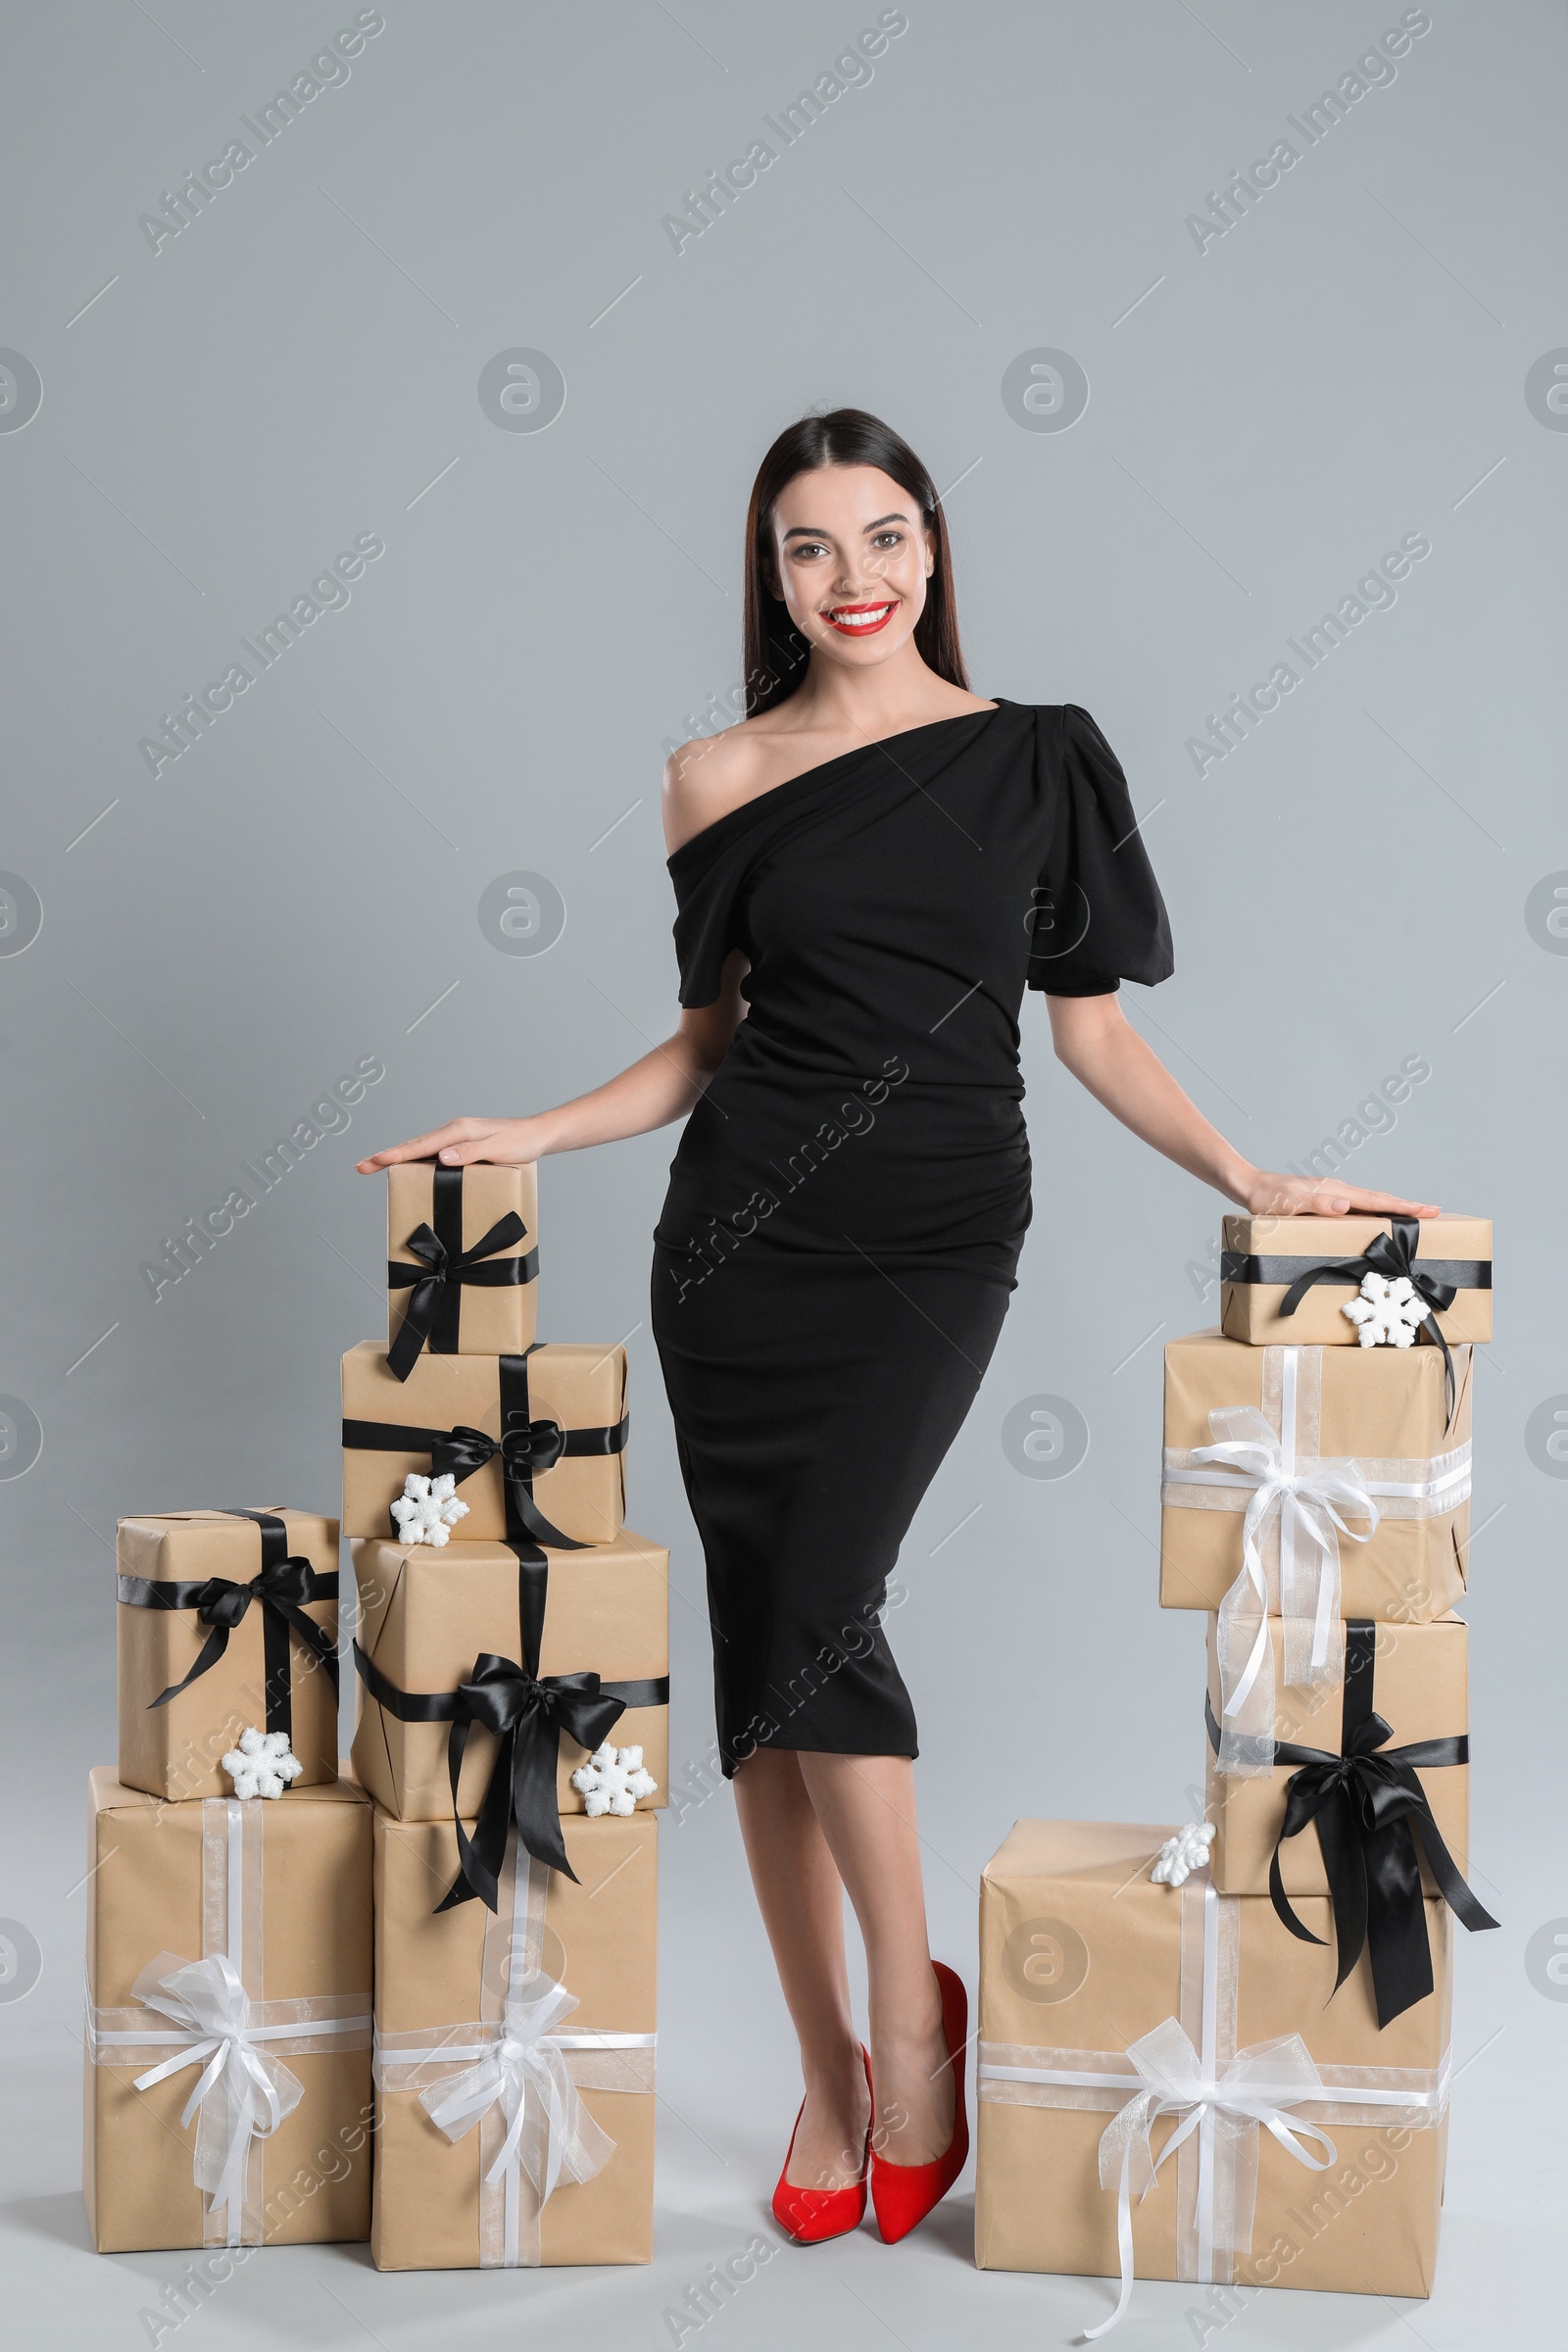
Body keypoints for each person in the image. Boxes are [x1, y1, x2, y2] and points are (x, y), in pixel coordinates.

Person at [358, 408, 1437, 2246]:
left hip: (937, 1236)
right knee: (771, 1666)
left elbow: (1086, 1027)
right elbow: (711, 1046)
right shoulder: (715, 777)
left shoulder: (1036, 758)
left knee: (822, 1617)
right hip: (739, 1249)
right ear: (768, 575)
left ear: (932, 548)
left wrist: (1252, 1181)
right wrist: (536, 1128)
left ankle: (918, 2045)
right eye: (808, 547)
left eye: (883, 537)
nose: (853, 579)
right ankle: (824, 2060)